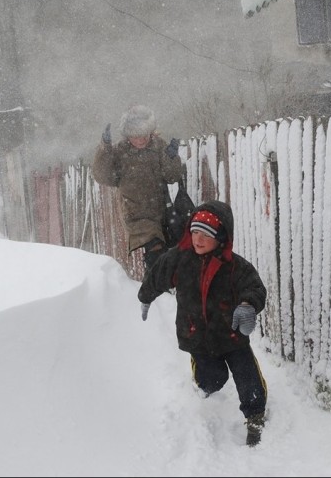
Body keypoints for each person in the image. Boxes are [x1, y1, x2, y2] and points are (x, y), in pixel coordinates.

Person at [137, 200, 268, 447]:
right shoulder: (178, 259)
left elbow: (254, 287)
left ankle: (255, 416)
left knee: (247, 376)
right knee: (212, 380)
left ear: (221, 238)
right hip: (196, 335)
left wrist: (248, 305)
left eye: (205, 235)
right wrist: (145, 297)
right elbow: (157, 275)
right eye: (194, 232)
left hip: (232, 335)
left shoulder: (235, 267)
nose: (197, 239)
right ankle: (204, 380)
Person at [92, 105, 182, 271]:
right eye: (135, 136)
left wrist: (171, 158)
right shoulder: (120, 152)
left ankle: (155, 284)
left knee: (164, 253)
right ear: (127, 135)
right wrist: (105, 148)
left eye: (143, 135)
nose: (140, 140)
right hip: (136, 214)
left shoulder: (158, 146)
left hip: (161, 211)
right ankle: (156, 290)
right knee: (155, 249)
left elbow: (172, 176)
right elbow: (103, 176)